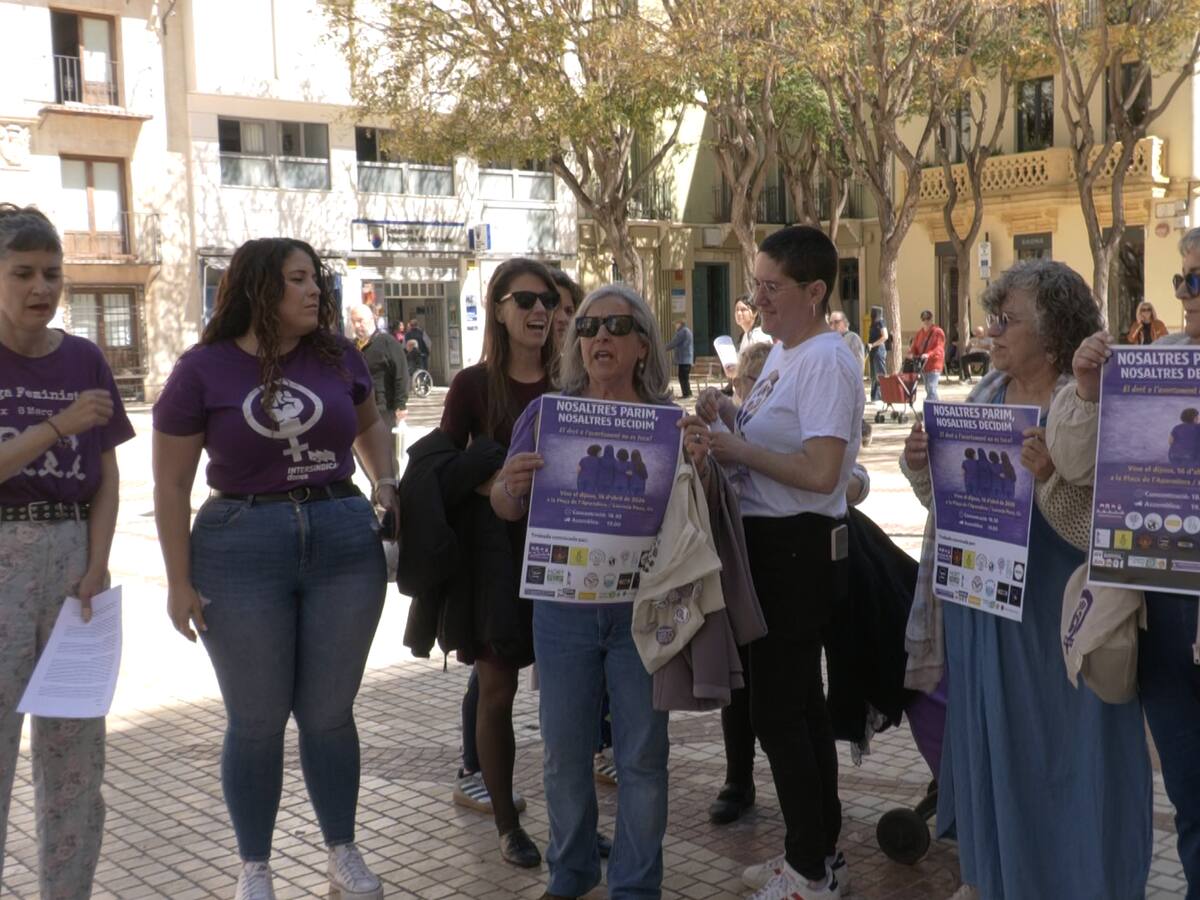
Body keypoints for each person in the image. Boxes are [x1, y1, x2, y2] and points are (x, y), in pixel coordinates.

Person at [152, 238, 400, 900]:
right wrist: (178, 582)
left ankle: (342, 851)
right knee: (256, 718)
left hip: (342, 539)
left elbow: (370, 427)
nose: (315, 289)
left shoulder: (337, 356)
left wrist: (387, 481)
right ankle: (254, 867)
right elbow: (172, 486)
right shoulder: (202, 370)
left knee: (328, 714)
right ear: (261, 289)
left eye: (314, 278)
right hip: (240, 545)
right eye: (298, 280)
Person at [903, 259, 1151, 900]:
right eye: (993, 319)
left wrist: (1050, 480)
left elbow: (1116, 527)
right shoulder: (985, 397)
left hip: (1065, 615)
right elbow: (947, 508)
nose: (993, 332)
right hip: (989, 616)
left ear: (1052, 331)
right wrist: (920, 467)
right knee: (1000, 754)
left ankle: (1082, 880)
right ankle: (1002, 879)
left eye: (1007, 320)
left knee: (1075, 755)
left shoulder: (1092, 401)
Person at [492, 282, 712, 899]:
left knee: (642, 755)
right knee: (564, 755)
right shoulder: (546, 417)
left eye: (615, 326)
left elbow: (704, 514)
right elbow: (507, 507)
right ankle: (573, 873)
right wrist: (509, 485)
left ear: (644, 343)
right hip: (563, 611)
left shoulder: (670, 423)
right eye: (586, 328)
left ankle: (636, 886)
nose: (599, 339)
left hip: (645, 609)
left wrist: (700, 461)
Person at [697, 225, 863, 899]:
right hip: (776, 548)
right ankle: (818, 854)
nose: (757, 301)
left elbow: (823, 472)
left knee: (779, 715)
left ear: (814, 290)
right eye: (755, 286)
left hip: (795, 551)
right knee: (801, 709)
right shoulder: (791, 355)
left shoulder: (824, 357)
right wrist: (729, 415)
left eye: (772, 287)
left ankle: (808, 870)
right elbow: (785, 443)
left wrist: (735, 450)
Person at [1055, 226, 1200, 898]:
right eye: (1182, 279)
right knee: (1194, 804)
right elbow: (1080, 467)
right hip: (1168, 621)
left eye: (1198, 280)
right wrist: (1086, 389)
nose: (1186, 294)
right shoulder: (1157, 362)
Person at [0, 204, 134, 898]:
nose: (39, 287)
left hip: (73, 556)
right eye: (22, 272)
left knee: (76, 754)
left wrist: (98, 561)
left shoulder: (85, 358)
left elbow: (107, 473)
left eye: (51, 273)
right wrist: (56, 425)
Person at [435, 257, 561, 869]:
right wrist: (492, 485)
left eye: (548, 301)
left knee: (571, 694)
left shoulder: (573, 377)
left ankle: (573, 823)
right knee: (496, 690)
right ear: (499, 310)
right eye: (526, 300)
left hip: (569, 554)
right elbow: (439, 469)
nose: (540, 311)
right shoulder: (472, 387)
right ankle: (508, 824)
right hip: (495, 558)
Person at [349, 304, 409, 427]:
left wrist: (401, 405)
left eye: (360, 321)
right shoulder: (352, 347)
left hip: (383, 410)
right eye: (353, 322)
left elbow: (401, 374)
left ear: (372, 319)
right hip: (358, 409)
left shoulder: (388, 342)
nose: (356, 326)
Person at [907, 309, 946, 403]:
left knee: (932, 387)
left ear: (932, 320)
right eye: (924, 319)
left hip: (934, 364)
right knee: (929, 389)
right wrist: (911, 354)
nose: (926, 321)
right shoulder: (919, 333)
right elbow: (915, 347)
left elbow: (939, 348)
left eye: (928, 319)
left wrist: (928, 354)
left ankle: (929, 411)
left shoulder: (938, 332)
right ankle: (937, 408)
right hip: (923, 365)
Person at [664, 319, 695, 398]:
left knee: (682, 377)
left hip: (684, 359)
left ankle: (686, 394)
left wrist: (663, 348)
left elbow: (674, 343)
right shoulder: (687, 331)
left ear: (680, 324)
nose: (675, 326)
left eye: (676, 324)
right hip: (687, 359)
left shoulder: (682, 332)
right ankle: (688, 392)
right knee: (685, 377)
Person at [866, 306, 888, 402]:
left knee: (880, 374)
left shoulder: (881, 322)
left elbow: (885, 336)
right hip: (873, 351)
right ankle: (875, 396)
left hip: (879, 350)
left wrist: (873, 344)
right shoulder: (873, 323)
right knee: (874, 375)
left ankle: (884, 395)